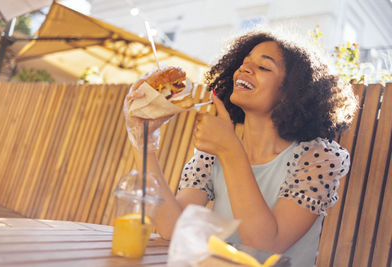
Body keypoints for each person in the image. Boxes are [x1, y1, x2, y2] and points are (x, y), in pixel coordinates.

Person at [124, 28, 358, 267]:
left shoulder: (318, 159)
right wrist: (142, 141)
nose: (245, 69)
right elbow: (173, 227)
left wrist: (229, 149)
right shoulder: (213, 154)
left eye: (264, 67)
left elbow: (266, 244)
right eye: (244, 63)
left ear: (292, 93)